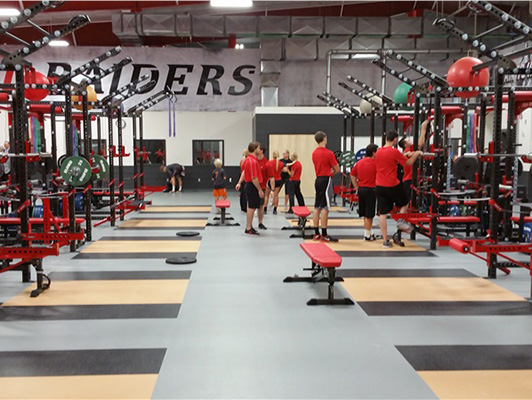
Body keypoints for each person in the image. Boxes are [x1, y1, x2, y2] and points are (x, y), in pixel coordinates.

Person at [375, 130, 422, 248]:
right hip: (392, 185)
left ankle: (385, 241)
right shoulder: (394, 151)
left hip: (379, 185)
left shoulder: (378, 152)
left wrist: (404, 155)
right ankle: (401, 221)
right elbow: (409, 163)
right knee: (405, 202)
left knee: (383, 214)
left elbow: (390, 160)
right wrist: (417, 153)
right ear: (395, 140)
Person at [311, 131, 340, 242]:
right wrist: (331, 171)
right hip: (326, 179)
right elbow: (337, 169)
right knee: (325, 208)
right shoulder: (329, 153)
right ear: (324, 139)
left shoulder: (314, 153)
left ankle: (316, 233)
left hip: (318, 179)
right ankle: (324, 234)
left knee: (317, 206)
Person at [350, 144, 379, 241]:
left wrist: (356, 187)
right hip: (371, 190)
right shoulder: (376, 163)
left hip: (361, 190)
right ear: (374, 152)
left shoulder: (359, 163)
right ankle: (367, 235)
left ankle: (368, 232)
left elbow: (352, 175)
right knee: (369, 214)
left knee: (366, 213)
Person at [398, 119, 429, 205]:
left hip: (410, 179)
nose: (410, 141)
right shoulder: (408, 150)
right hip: (409, 180)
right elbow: (420, 143)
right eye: (407, 141)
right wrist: (423, 128)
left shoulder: (407, 151)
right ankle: (402, 217)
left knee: (408, 203)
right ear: (405, 145)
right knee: (406, 204)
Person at [236, 142, 264, 236]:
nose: (260, 150)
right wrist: (259, 189)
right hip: (252, 185)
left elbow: (244, 172)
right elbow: (254, 178)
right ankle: (248, 228)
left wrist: (239, 182)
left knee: (250, 207)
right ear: (254, 149)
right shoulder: (252, 161)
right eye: (258, 148)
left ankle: (249, 226)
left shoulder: (250, 159)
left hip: (250, 185)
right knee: (251, 208)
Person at [266, 150, 284, 215]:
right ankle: (275, 210)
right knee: (276, 195)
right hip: (279, 180)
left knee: (266, 195)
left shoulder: (269, 163)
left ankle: (265, 209)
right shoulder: (281, 163)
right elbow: (281, 171)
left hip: (271, 180)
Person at [256, 145, 269, 229]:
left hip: (262, 187)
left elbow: (269, 177)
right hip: (253, 186)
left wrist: (270, 190)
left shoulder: (266, 163)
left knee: (261, 206)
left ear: (261, 151)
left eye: (258, 149)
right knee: (251, 206)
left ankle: (260, 223)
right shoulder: (254, 160)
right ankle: (249, 225)